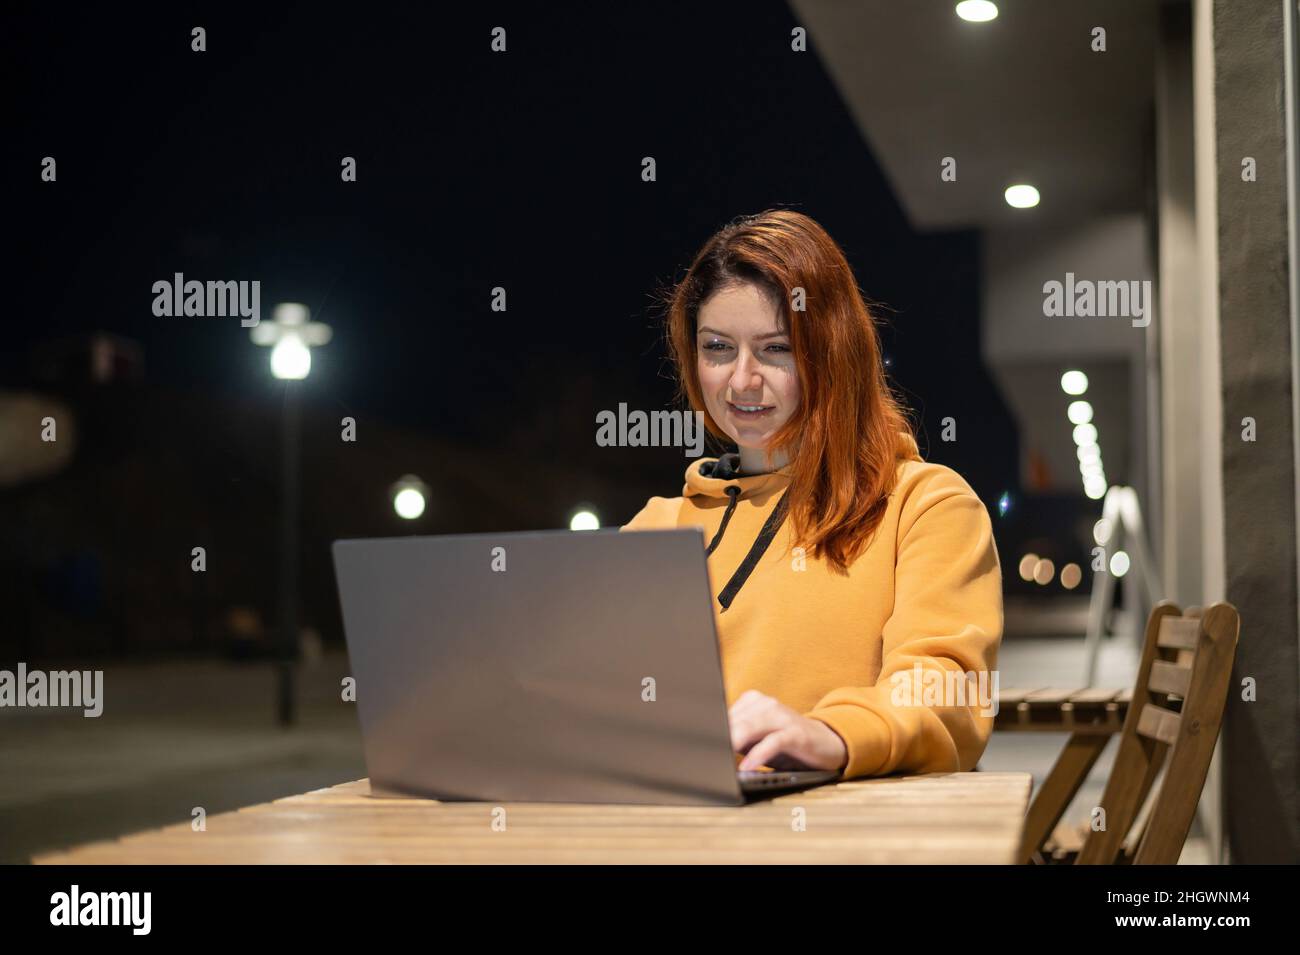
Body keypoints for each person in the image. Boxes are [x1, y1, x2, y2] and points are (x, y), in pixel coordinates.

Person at [620, 209, 1003, 780]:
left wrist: (830, 735)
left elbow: (943, 691)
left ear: (832, 351)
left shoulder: (925, 506)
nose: (742, 380)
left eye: (776, 349)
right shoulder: (658, 526)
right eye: (718, 348)